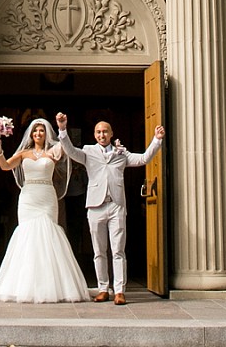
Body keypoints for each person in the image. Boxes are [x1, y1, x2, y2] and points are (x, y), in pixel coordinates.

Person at [53, 111, 164, 305]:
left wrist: (156, 140)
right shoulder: (88, 151)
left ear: (111, 134)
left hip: (116, 206)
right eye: (98, 132)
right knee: (99, 250)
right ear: (94, 135)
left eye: (105, 131)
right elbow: (70, 151)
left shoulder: (121, 153)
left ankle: (119, 290)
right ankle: (103, 288)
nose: (101, 135)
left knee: (118, 250)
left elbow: (143, 159)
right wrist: (62, 129)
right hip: (95, 205)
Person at [0, 117, 92, 303]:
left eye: (42, 131)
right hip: (28, 197)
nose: (38, 134)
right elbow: (5, 166)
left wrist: (62, 128)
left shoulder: (54, 150)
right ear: (31, 134)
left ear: (46, 133)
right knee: (27, 235)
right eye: (35, 131)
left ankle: (52, 286)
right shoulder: (24, 153)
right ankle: (25, 285)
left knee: (49, 235)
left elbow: (69, 147)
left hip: (47, 196)